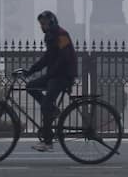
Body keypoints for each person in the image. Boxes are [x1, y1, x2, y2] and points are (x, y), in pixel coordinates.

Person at [13, 10, 77, 152]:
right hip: (54, 75)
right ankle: (53, 111)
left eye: (44, 23)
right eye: (41, 24)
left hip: (63, 76)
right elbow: (47, 58)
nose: (42, 26)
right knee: (30, 86)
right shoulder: (50, 36)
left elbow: (65, 56)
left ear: (52, 22)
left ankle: (48, 142)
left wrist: (52, 72)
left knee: (46, 105)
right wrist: (30, 71)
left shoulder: (61, 34)